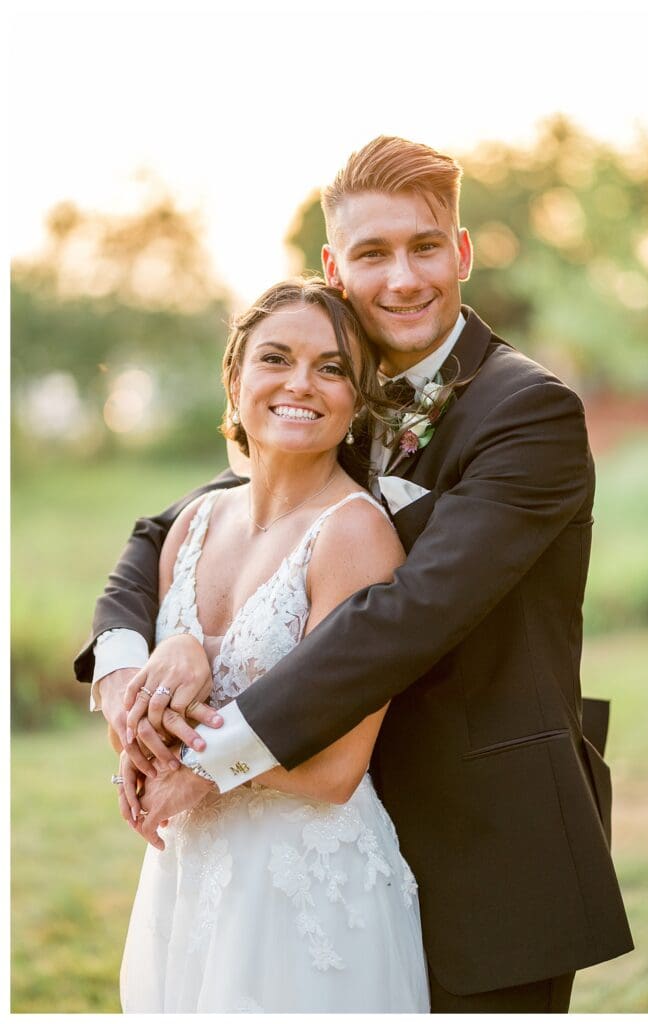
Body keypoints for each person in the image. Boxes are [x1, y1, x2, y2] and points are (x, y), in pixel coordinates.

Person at [76, 136, 633, 1013]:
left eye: (423, 246)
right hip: (336, 833)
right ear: (336, 266)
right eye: (372, 253)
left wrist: (206, 757)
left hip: (484, 839)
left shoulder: (530, 413)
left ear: (462, 252)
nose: (402, 279)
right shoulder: (334, 393)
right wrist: (130, 666)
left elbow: (407, 613)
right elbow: (167, 529)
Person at [113, 279, 430, 1013]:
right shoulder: (192, 525)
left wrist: (181, 758)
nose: (300, 384)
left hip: (306, 891)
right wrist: (177, 652)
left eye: (331, 368)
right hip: (189, 871)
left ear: (358, 397)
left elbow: (334, 771)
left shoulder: (354, 535)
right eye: (276, 358)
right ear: (235, 377)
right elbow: (159, 695)